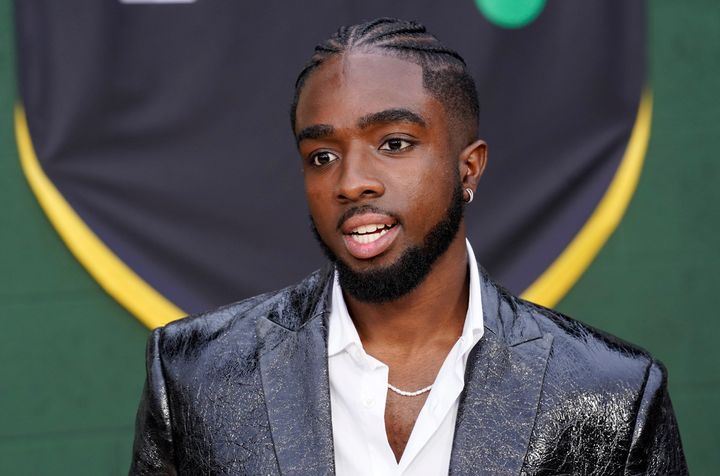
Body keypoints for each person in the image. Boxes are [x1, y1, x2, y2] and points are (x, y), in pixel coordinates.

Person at [130, 18, 687, 475]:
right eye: (322, 156)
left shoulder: (612, 394)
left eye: (394, 143)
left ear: (468, 168)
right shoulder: (194, 374)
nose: (350, 182)